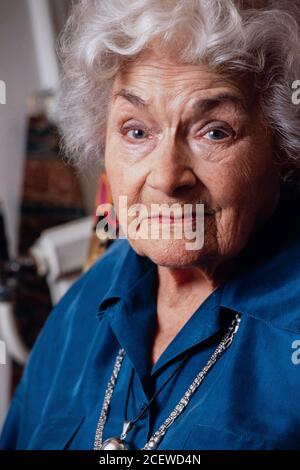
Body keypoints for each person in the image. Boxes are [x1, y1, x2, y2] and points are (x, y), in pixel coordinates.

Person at [1, 0, 300, 450]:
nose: (165, 178)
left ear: (281, 144)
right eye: (137, 131)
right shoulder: (82, 306)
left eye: (213, 131)